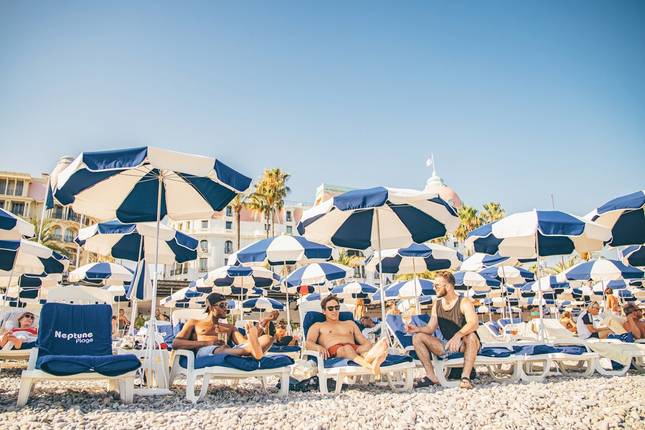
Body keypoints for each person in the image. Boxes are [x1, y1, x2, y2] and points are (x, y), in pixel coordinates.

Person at [406, 271, 480, 389]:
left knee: (471, 336)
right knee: (417, 337)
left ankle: (465, 378)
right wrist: (417, 329)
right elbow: (430, 328)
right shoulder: (437, 304)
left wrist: (458, 335)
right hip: (448, 344)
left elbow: (474, 323)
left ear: (448, 287)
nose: (434, 288)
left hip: (466, 343)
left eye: (437, 286)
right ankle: (431, 376)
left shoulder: (464, 302)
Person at [305, 295, 389, 378]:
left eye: (337, 308)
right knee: (347, 348)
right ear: (324, 311)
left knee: (371, 347)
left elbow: (363, 341)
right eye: (330, 308)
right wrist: (318, 347)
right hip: (335, 350)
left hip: (355, 349)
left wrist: (368, 345)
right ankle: (371, 366)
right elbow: (308, 343)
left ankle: (371, 359)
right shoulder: (318, 325)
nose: (334, 311)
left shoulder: (350, 323)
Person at [172, 292, 273, 359]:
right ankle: (253, 353)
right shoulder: (194, 323)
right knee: (222, 349)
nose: (225, 308)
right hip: (206, 351)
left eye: (226, 305)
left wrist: (262, 324)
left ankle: (251, 352)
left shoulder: (230, 327)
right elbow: (176, 343)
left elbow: (244, 342)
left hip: (230, 351)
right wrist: (209, 343)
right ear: (211, 308)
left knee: (267, 338)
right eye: (222, 305)